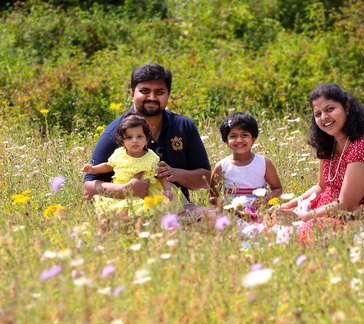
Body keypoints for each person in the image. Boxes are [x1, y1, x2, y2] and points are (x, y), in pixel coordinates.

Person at [83, 64, 213, 223]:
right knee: (125, 225)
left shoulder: (183, 126)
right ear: (132, 93)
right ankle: (167, 235)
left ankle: (169, 234)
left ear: (168, 95)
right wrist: (124, 190)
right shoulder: (116, 133)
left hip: (176, 208)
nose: (152, 97)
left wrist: (174, 173)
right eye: (145, 91)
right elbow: (88, 188)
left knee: (214, 219)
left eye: (159, 92)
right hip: (130, 212)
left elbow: (205, 178)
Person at [275, 83, 364, 242]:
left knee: (308, 231)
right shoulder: (328, 144)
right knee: (273, 222)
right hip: (328, 212)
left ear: (346, 107)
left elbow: (345, 205)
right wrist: (288, 206)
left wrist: (301, 217)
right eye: (318, 114)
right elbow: (322, 186)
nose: (324, 117)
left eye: (330, 109)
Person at [82, 114, 187, 221]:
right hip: (122, 193)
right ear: (122, 140)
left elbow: (161, 174)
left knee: (154, 213)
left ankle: (162, 230)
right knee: (117, 214)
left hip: (147, 193)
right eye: (129, 137)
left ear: (147, 139)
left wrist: (167, 189)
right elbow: (108, 166)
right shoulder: (119, 154)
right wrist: (93, 169)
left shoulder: (151, 157)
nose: (135, 140)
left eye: (139, 136)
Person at [210, 112, 282, 220]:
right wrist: (231, 209)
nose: (239, 140)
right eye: (233, 136)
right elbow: (212, 197)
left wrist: (264, 201)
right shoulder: (222, 166)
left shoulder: (263, 162)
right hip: (233, 214)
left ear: (253, 139)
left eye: (244, 135)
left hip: (261, 212)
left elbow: (277, 189)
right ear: (226, 142)